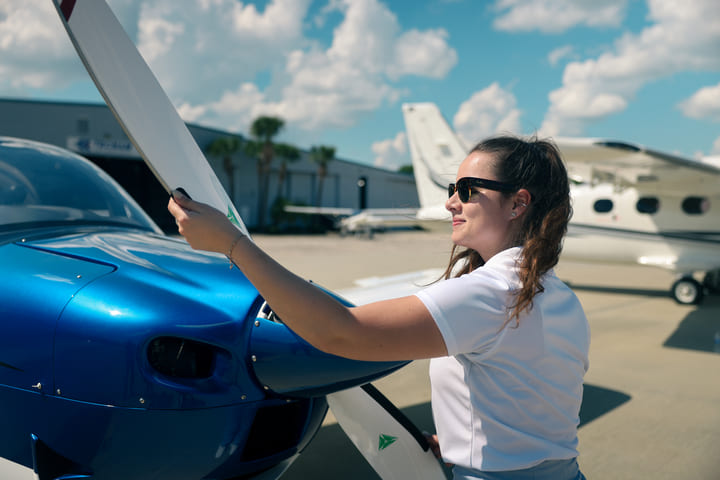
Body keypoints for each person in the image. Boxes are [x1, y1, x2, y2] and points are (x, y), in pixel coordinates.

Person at [167, 134, 590, 480]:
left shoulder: (490, 293)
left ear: (518, 204)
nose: (450, 203)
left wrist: (233, 244)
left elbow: (342, 332)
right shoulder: (558, 293)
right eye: (451, 189)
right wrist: (467, 438)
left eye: (467, 190)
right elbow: (531, 394)